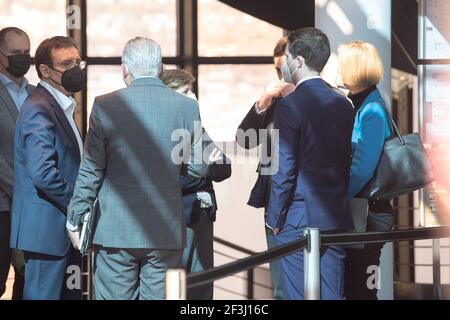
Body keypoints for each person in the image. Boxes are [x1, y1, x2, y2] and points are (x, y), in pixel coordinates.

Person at [66, 37, 208, 300]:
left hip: (116, 231)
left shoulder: (104, 105)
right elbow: (199, 167)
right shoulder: (187, 107)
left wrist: (75, 215)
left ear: (124, 68)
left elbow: (92, 169)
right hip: (165, 231)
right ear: (161, 68)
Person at [266, 28, 355, 300]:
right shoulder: (344, 104)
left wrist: (274, 219)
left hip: (296, 217)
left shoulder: (290, 105)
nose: (286, 64)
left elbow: (285, 167)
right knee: (332, 294)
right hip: (334, 213)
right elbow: (344, 160)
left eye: (289, 57)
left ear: (300, 61)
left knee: (297, 295)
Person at [10, 36, 84, 300]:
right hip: (46, 234)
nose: (76, 70)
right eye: (67, 64)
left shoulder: (60, 106)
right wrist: (79, 203)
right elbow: (43, 173)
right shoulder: (39, 108)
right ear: (44, 70)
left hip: (61, 232)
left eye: (78, 62)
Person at [161, 69, 232, 300]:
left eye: (192, 91)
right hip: (178, 219)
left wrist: (198, 173)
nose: (191, 97)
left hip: (203, 216)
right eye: (185, 92)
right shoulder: (163, 132)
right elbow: (171, 179)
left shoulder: (198, 129)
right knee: (176, 287)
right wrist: (203, 173)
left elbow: (224, 166)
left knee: (202, 287)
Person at [235, 37, 294, 300]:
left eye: (283, 69)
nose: (279, 76)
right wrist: (263, 101)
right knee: (281, 283)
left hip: (305, 202)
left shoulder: (317, 99)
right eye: (276, 70)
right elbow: (244, 139)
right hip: (274, 202)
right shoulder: (275, 103)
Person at [337, 41, 394, 300]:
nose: (338, 68)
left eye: (342, 63)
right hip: (362, 213)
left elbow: (361, 168)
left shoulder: (372, 111)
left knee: (361, 291)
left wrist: (334, 198)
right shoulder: (363, 105)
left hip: (368, 215)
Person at [0, 27, 33, 300]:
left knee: (29, 279)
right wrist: (20, 188)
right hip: (2, 205)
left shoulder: (36, 94)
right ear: (1, 55)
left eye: (26, 53)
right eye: (15, 54)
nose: (23, 58)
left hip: (33, 206)